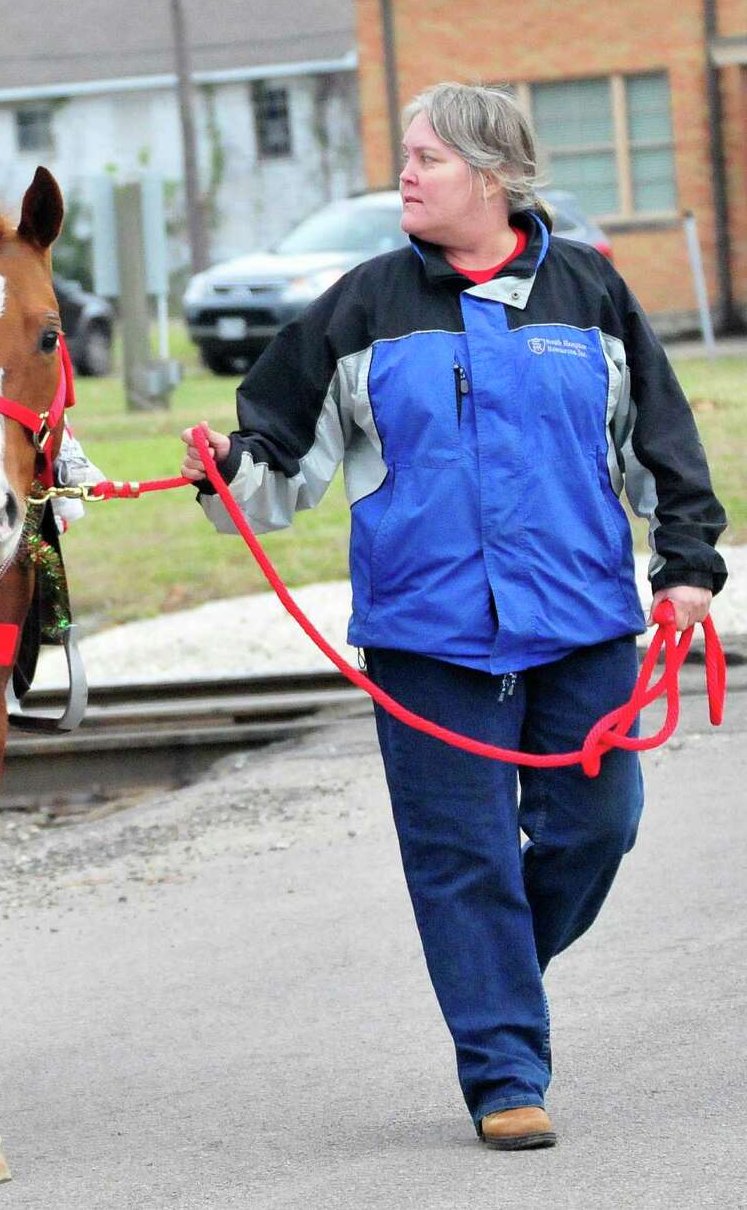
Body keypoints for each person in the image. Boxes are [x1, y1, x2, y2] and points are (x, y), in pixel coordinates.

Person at [180, 82, 727, 1150]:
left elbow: (659, 444)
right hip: (425, 635)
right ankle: (504, 1072)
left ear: (492, 174)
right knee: (463, 857)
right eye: (407, 158)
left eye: (426, 158)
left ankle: (493, 972)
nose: (407, 175)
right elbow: (281, 457)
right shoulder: (360, 306)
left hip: (581, 625)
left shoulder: (590, 294)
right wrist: (229, 472)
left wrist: (688, 564)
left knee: (598, 826)